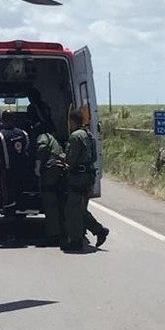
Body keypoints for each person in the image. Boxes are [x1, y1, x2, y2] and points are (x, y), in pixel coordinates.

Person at [62, 107, 110, 253]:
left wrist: (61, 158)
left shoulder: (75, 136)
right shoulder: (89, 135)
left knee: (73, 209)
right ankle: (98, 230)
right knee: (80, 208)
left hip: (77, 177)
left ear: (72, 121)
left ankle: (77, 240)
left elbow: (70, 160)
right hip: (88, 176)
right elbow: (94, 157)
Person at [0, 110, 32, 242]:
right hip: (24, 174)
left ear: (2, 121)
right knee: (20, 201)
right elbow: (28, 151)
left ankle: (10, 233)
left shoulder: (0, 137)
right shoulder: (23, 134)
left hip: (8, 174)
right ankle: (22, 230)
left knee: (9, 204)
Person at [33, 116, 67, 247]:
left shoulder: (43, 136)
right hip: (59, 170)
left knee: (49, 202)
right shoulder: (54, 139)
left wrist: (37, 164)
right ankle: (64, 231)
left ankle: (53, 234)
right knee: (61, 203)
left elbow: (42, 149)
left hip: (51, 170)